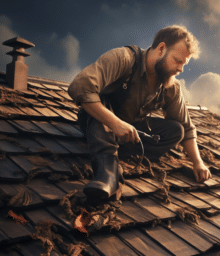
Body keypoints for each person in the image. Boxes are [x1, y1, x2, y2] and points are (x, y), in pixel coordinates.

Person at [68, 25, 211, 200]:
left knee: (176, 130)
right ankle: (108, 174)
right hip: (99, 123)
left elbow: (186, 128)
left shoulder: (170, 85)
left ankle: (121, 153)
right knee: (101, 101)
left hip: (130, 134)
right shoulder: (124, 58)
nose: (181, 69)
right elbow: (80, 87)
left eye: (184, 63)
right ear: (161, 49)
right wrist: (115, 124)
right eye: (177, 61)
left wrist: (198, 163)